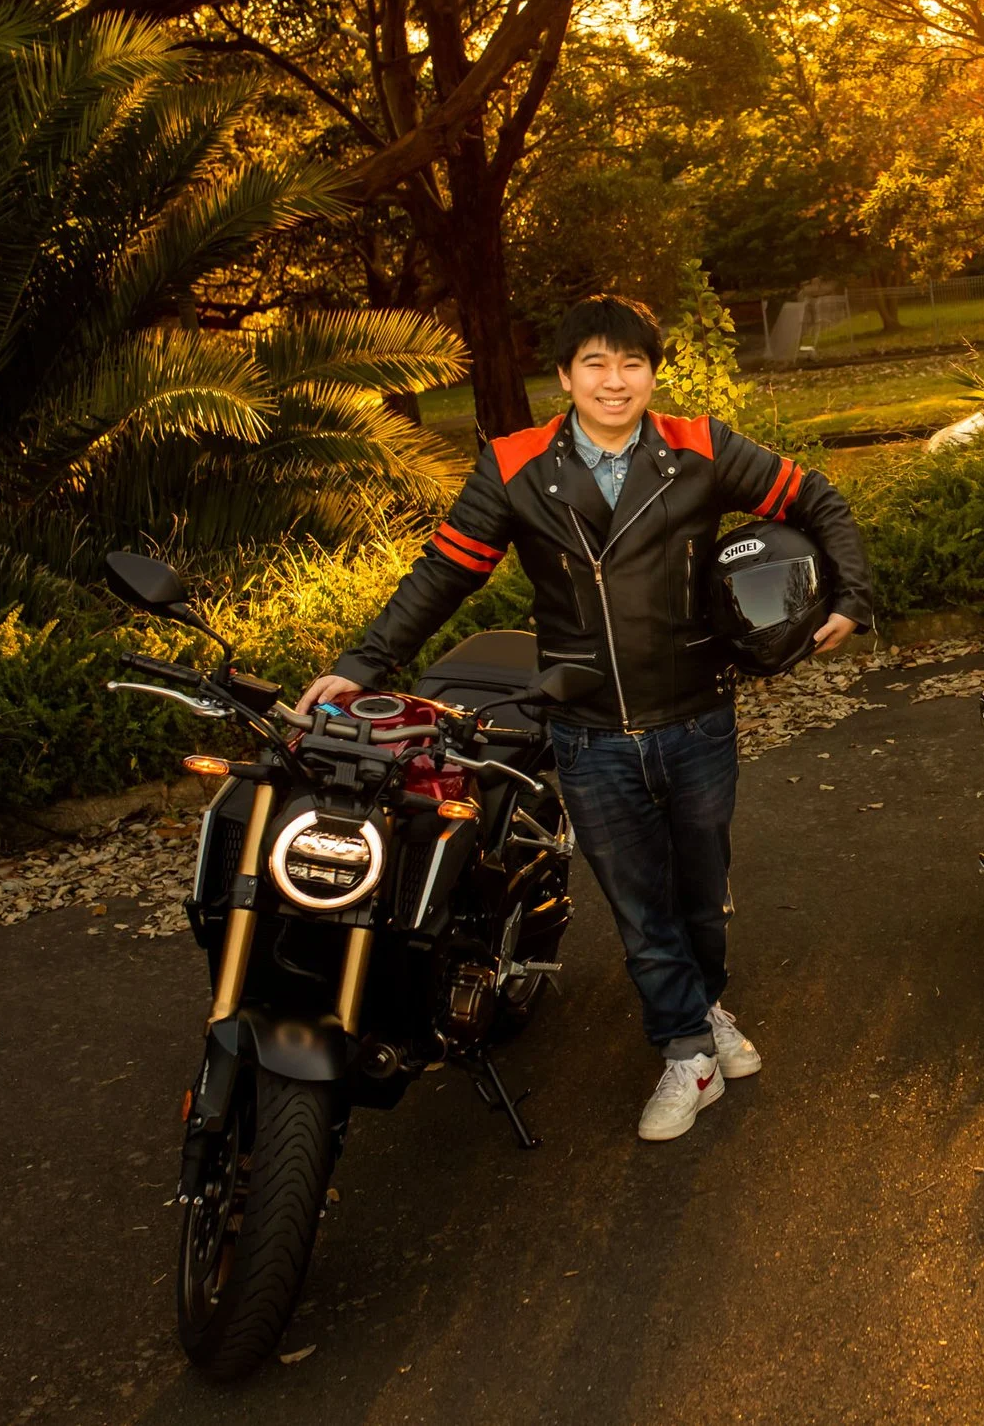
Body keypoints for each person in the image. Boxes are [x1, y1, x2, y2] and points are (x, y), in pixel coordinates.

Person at [296, 297, 875, 1142]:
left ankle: (704, 1006)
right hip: (590, 729)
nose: (615, 380)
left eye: (631, 363)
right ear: (564, 376)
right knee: (639, 905)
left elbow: (816, 498)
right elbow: (442, 573)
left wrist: (851, 596)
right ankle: (685, 1053)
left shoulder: (701, 447)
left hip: (697, 714)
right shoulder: (514, 465)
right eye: (595, 365)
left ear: (651, 372)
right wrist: (358, 666)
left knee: (700, 896)